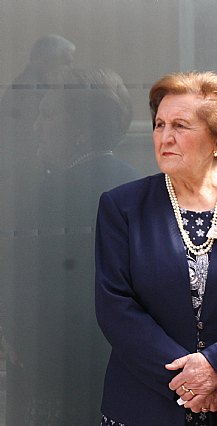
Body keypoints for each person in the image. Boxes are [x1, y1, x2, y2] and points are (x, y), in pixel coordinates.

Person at [95, 71, 217, 425]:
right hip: (145, 402)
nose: (164, 137)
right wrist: (188, 382)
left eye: (180, 126)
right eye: (159, 124)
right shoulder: (122, 207)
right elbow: (116, 306)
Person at [1, 66, 139, 425]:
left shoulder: (47, 197)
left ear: (79, 132)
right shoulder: (144, 189)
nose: (36, 127)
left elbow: (22, 291)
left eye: (47, 115)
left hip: (57, 376)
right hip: (127, 371)